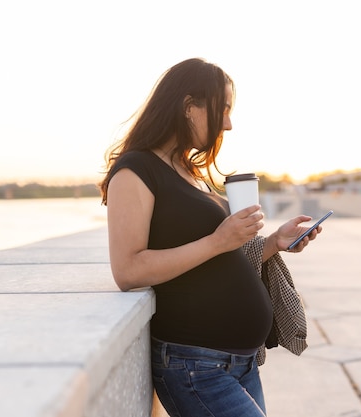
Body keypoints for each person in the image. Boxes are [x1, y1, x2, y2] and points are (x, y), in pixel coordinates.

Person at [99, 58, 321, 417]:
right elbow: (128, 269)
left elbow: (220, 255)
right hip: (194, 367)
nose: (229, 124)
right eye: (224, 110)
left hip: (240, 365)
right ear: (190, 107)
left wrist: (273, 242)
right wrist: (219, 239)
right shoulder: (135, 170)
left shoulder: (189, 171)